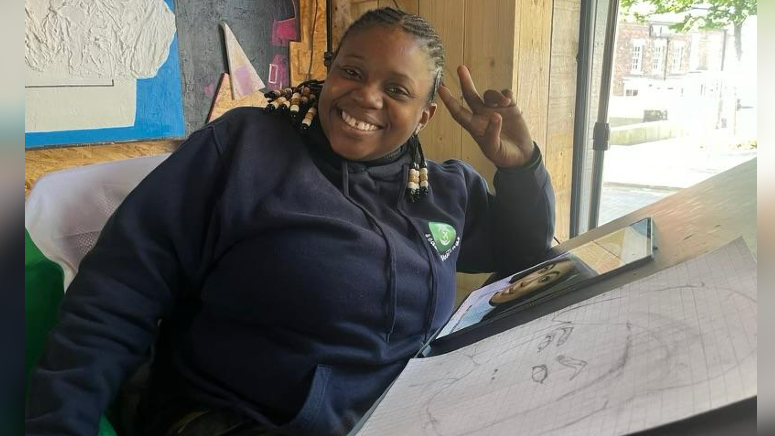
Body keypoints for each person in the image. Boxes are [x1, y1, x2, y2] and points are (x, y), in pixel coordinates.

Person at [25, 7, 555, 436]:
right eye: (352, 71)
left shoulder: (447, 188)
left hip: (399, 414)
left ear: (424, 115)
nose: (366, 96)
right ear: (329, 71)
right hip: (232, 417)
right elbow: (119, 293)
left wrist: (520, 165)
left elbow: (522, 251)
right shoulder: (243, 149)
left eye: (397, 90)